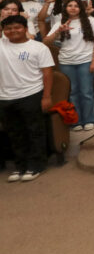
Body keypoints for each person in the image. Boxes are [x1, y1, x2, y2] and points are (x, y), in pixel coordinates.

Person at [0, 15, 53, 182]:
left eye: (17, 27)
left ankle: (36, 165)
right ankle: (20, 166)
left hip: (31, 93)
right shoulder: (1, 45)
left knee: (34, 131)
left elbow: (47, 74)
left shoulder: (38, 47)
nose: (12, 31)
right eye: (8, 28)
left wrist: (46, 96)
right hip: (5, 96)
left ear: (25, 28)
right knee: (15, 133)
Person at [43, 0, 94, 131]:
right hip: (66, 62)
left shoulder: (91, 21)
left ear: (81, 8)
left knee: (86, 92)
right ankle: (76, 121)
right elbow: (46, 42)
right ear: (65, 8)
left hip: (86, 60)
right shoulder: (59, 23)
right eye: (70, 5)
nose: (73, 8)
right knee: (72, 93)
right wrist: (58, 31)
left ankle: (89, 119)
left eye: (76, 6)